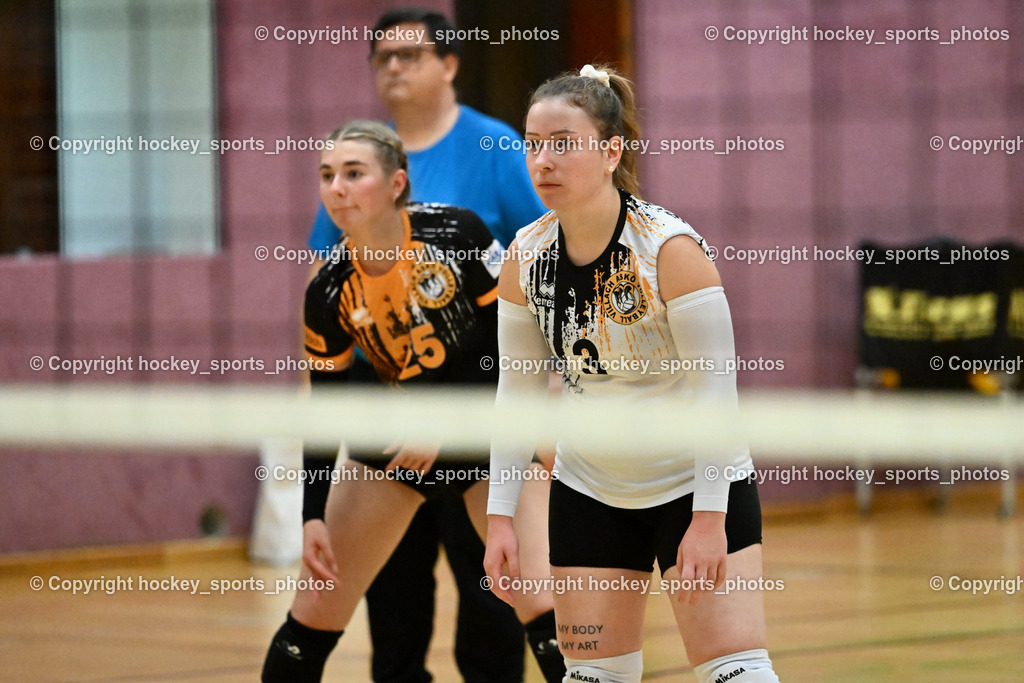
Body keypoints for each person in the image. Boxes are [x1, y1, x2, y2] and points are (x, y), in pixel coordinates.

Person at [484, 65, 782, 683]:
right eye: (534, 145)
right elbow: (516, 398)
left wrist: (707, 520)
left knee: (736, 673)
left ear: (611, 149)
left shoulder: (671, 252)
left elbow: (716, 399)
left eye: (563, 143)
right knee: (592, 677)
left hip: (693, 487)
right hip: (590, 490)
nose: (543, 161)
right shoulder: (524, 258)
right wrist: (500, 517)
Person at [261, 120, 561, 682]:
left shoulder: (458, 234)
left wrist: (444, 423)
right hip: (394, 448)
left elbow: (516, 350)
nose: (337, 189)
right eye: (327, 176)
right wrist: (310, 517)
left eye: (354, 174)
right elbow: (327, 411)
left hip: (484, 437)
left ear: (397, 182)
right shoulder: (327, 290)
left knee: (543, 608)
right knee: (312, 616)